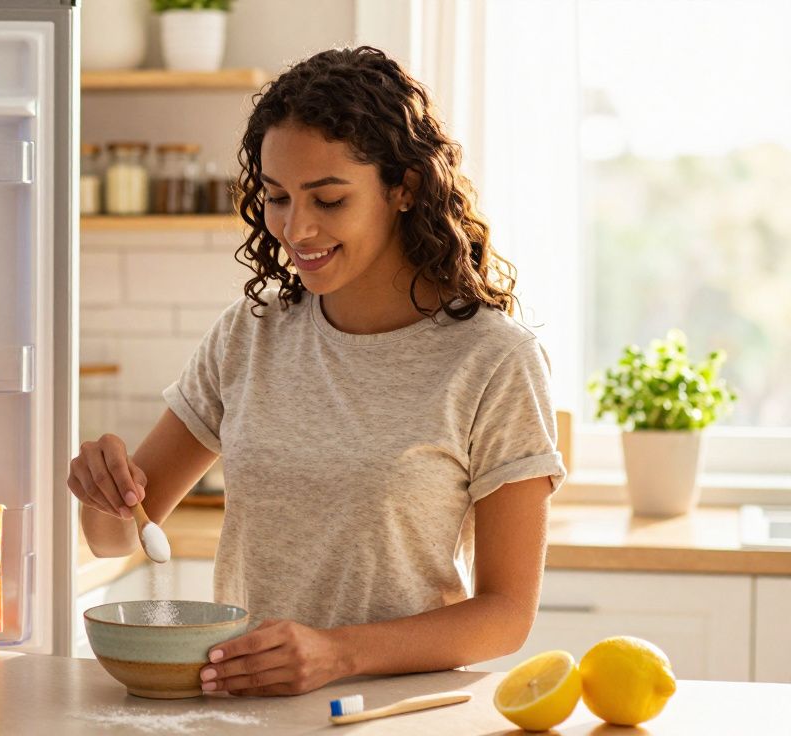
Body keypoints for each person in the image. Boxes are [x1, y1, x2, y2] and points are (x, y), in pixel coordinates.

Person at [69, 46, 566, 697]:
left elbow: (505, 615)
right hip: (250, 707)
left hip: (395, 713)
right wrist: (104, 490)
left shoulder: (494, 360)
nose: (296, 227)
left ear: (404, 188)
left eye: (329, 199)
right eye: (276, 196)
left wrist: (338, 654)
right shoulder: (251, 335)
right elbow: (116, 538)